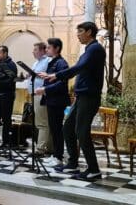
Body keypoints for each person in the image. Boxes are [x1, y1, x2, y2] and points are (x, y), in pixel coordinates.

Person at [40, 22, 105, 181]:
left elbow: (79, 67)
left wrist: (57, 75)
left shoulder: (95, 48)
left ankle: (94, 169)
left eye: (81, 31)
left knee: (81, 132)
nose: (78, 34)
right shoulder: (88, 50)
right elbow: (80, 69)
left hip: (89, 97)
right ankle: (73, 163)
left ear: (90, 32)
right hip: (81, 96)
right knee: (67, 128)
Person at [36, 38, 70, 167]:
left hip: (57, 100)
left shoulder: (61, 63)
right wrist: (46, 76)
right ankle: (55, 155)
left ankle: (59, 157)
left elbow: (62, 84)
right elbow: (53, 79)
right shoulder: (53, 62)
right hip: (51, 100)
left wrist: (45, 89)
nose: (47, 50)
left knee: (57, 129)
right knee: (53, 129)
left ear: (56, 48)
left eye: (49, 48)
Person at [0, 46, 18, 148]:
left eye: (0, 53)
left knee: (6, 119)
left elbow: (11, 81)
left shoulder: (11, 65)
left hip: (7, 95)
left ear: (5, 53)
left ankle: (6, 142)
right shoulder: (0, 64)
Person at [28, 42, 52, 154]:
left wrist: (35, 74)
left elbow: (46, 76)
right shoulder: (36, 62)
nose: (33, 52)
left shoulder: (47, 61)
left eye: (36, 50)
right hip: (34, 94)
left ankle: (40, 148)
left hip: (41, 94)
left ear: (43, 51)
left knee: (42, 123)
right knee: (41, 122)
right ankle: (49, 147)